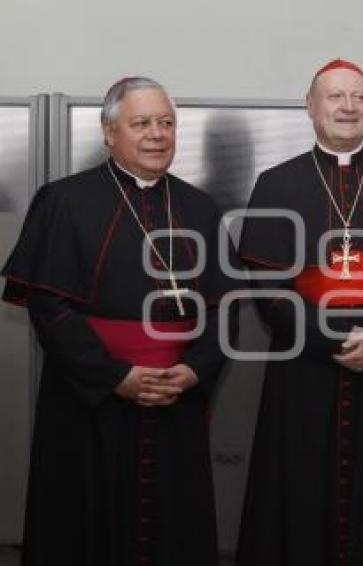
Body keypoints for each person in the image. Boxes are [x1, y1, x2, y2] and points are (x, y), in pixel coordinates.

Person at [2, 77, 237, 565]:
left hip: (177, 396)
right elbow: (51, 309)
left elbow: (227, 308)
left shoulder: (200, 208)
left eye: (167, 123)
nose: (157, 134)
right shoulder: (64, 201)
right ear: (110, 133)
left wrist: (194, 370)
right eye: (142, 123)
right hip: (90, 402)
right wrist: (116, 377)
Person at [236, 59, 363, 566]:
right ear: (311, 106)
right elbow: (268, 286)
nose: (348, 107)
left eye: (359, 97)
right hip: (304, 365)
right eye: (335, 96)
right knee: (298, 478)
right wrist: (332, 341)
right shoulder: (276, 183)